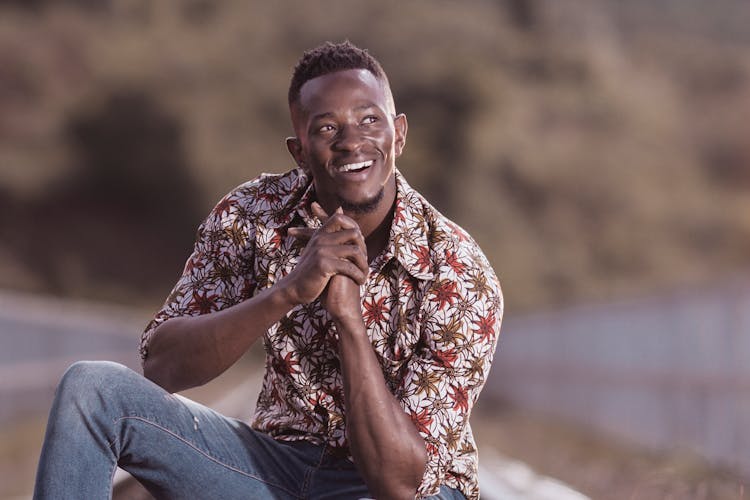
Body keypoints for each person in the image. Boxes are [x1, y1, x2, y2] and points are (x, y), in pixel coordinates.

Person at [34, 41, 502, 500]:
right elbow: (162, 365)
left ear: (398, 134)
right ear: (299, 153)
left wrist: (348, 317)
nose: (351, 141)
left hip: (399, 486)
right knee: (91, 389)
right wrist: (288, 292)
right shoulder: (252, 215)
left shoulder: (459, 274)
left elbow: (398, 486)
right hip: (275, 468)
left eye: (369, 120)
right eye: (325, 128)